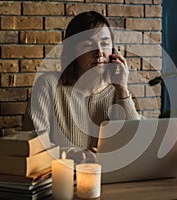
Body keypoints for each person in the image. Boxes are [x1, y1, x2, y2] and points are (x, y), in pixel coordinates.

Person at [22, 11, 140, 162]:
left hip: (110, 181)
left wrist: (123, 89)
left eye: (105, 44)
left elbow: (135, 146)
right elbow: (33, 144)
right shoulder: (48, 85)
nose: (99, 52)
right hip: (60, 180)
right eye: (88, 44)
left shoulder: (118, 92)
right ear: (72, 51)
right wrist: (72, 155)